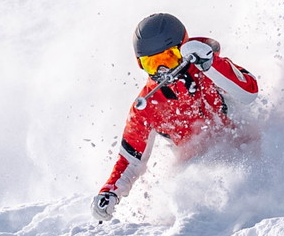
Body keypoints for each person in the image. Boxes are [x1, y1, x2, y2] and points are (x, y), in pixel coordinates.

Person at [92, 13, 259, 222]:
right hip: (202, 167)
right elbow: (130, 160)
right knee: (186, 199)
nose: (163, 71)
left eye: (168, 58)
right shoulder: (148, 106)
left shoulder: (207, 68)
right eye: (152, 64)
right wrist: (110, 192)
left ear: (183, 49)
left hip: (250, 148)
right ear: (140, 64)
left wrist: (211, 65)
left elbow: (249, 93)